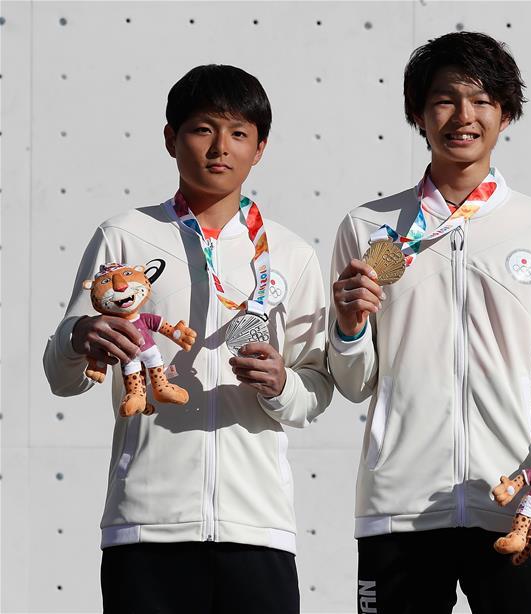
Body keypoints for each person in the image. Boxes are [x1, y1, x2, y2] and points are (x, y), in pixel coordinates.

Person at [42, 64, 332, 613]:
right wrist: (79, 337)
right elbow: (62, 378)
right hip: (145, 526)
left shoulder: (291, 255)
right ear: (171, 138)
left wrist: (281, 385)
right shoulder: (124, 236)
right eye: (203, 129)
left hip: (258, 527)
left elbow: (315, 388)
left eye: (239, 133)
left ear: (260, 147)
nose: (220, 148)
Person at [328, 32, 531, 614]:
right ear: (418, 113)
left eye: (482, 101)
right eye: (445, 99)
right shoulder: (368, 228)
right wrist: (347, 327)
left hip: (516, 504)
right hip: (399, 507)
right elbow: (353, 382)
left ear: (506, 113)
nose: (463, 117)